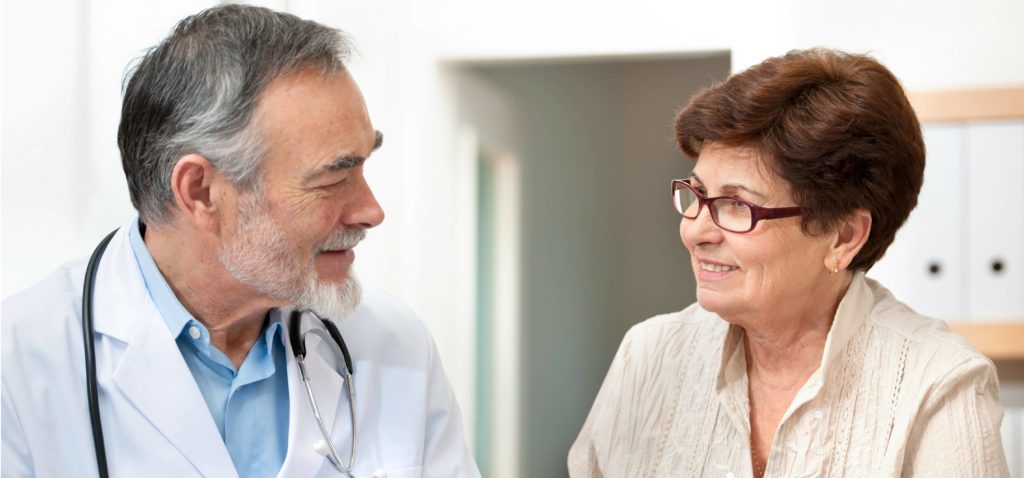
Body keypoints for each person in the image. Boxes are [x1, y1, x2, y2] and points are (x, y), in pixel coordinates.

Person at [1, 5, 479, 478]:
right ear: (201, 192)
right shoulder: (20, 364)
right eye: (334, 179)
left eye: (363, 166)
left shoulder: (396, 347)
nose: (371, 211)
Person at [568, 48, 1009, 477]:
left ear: (843, 237)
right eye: (697, 194)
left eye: (737, 205)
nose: (696, 231)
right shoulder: (648, 357)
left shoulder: (937, 385)